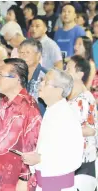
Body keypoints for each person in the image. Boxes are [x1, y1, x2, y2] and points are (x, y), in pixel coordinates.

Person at [22, 68, 84, 191]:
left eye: (46, 82)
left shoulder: (67, 115)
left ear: (59, 90)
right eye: (42, 80)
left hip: (57, 183)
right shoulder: (52, 110)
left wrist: (40, 159)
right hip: (45, 180)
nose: (40, 84)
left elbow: (74, 156)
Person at [0, 58, 41, 191]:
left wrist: (23, 180)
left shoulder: (29, 107)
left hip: (17, 181)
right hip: (1, 175)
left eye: (0, 75)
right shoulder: (4, 102)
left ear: (16, 78)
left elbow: (31, 147)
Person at [65, 55, 98, 190]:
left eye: (69, 69)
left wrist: (62, 129)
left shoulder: (85, 98)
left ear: (79, 74)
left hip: (83, 159)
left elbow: (90, 129)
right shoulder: (74, 96)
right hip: (75, 157)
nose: (65, 71)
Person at [18, 38, 47, 115]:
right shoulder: (17, 76)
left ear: (38, 55)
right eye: (21, 52)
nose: (23, 56)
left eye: (28, 52)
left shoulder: (46, 76)